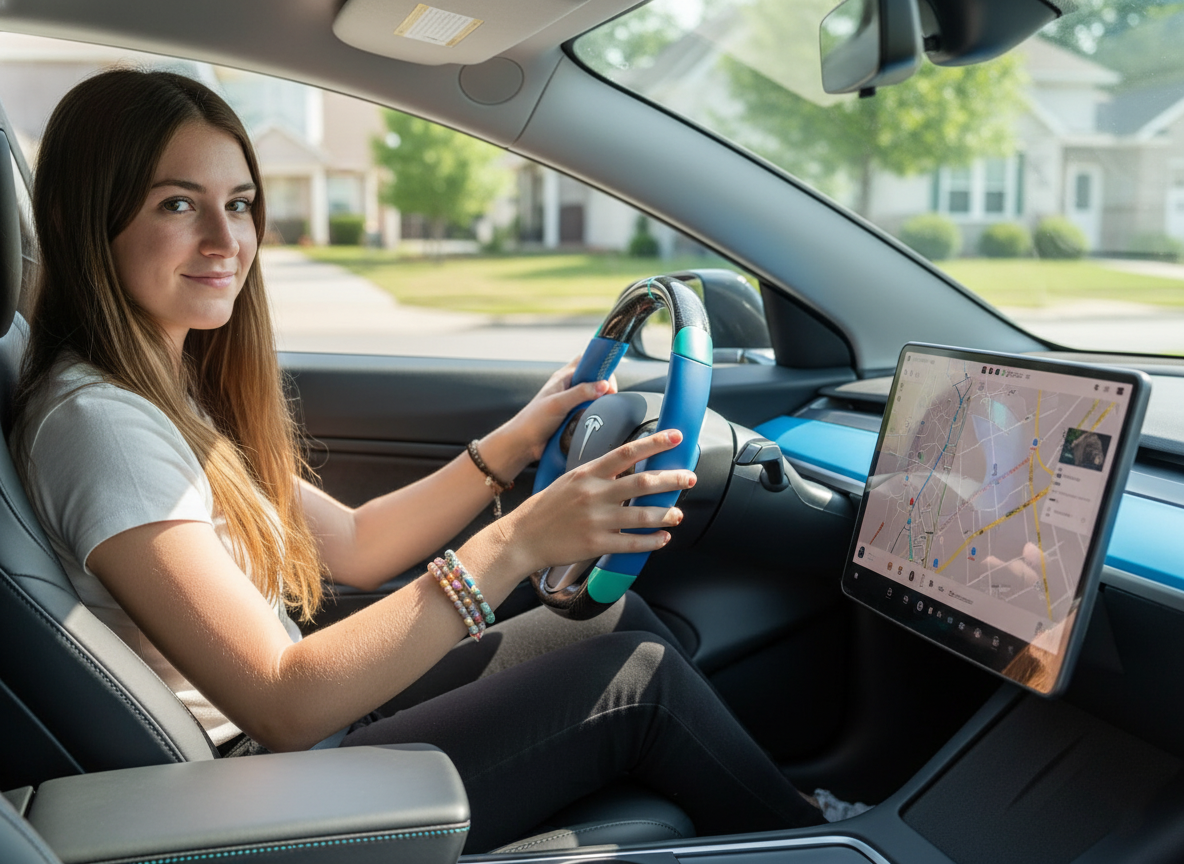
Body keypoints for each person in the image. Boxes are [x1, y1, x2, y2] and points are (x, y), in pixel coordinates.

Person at [10, 68, 824, 851]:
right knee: (635, 679)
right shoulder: (101, 426)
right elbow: (282, 703)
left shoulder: (155, 393)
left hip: (299, 747)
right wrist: (518, 543)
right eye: (178, 204)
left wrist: (513, 445)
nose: (227, 240)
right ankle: (827, 841)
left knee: (616, 619)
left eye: (241, 204)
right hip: (254, 791)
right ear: (94, 221)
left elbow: (358, 544)